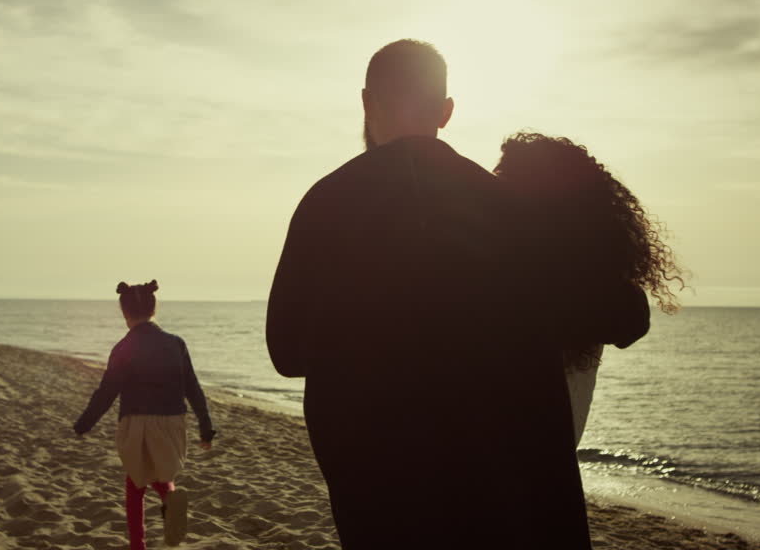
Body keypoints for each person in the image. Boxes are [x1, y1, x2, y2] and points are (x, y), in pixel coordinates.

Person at [266, 39, 651, 549]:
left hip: (381, 495)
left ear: (366, 102)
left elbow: (287, 352)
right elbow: (627, 315)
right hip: (499, 495)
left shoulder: (325, 203)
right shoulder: (506, 209)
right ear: (446, 112)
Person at [494, 132, 685, 445]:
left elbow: (628, 321)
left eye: (502, 179)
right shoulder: (596, 281)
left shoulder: (520, 272)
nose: (493, 189)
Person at [73, 280, 216, 550]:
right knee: (162, 474)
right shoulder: (176, 344)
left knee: (136, 482)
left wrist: (84, 424)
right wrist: (205, 427)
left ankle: (138, 544)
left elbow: (106, 393)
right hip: (172, 421)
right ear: (153, 309)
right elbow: (193, 388)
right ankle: (171, 500)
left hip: (135, 422)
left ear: (124, 313)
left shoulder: (123, 348)